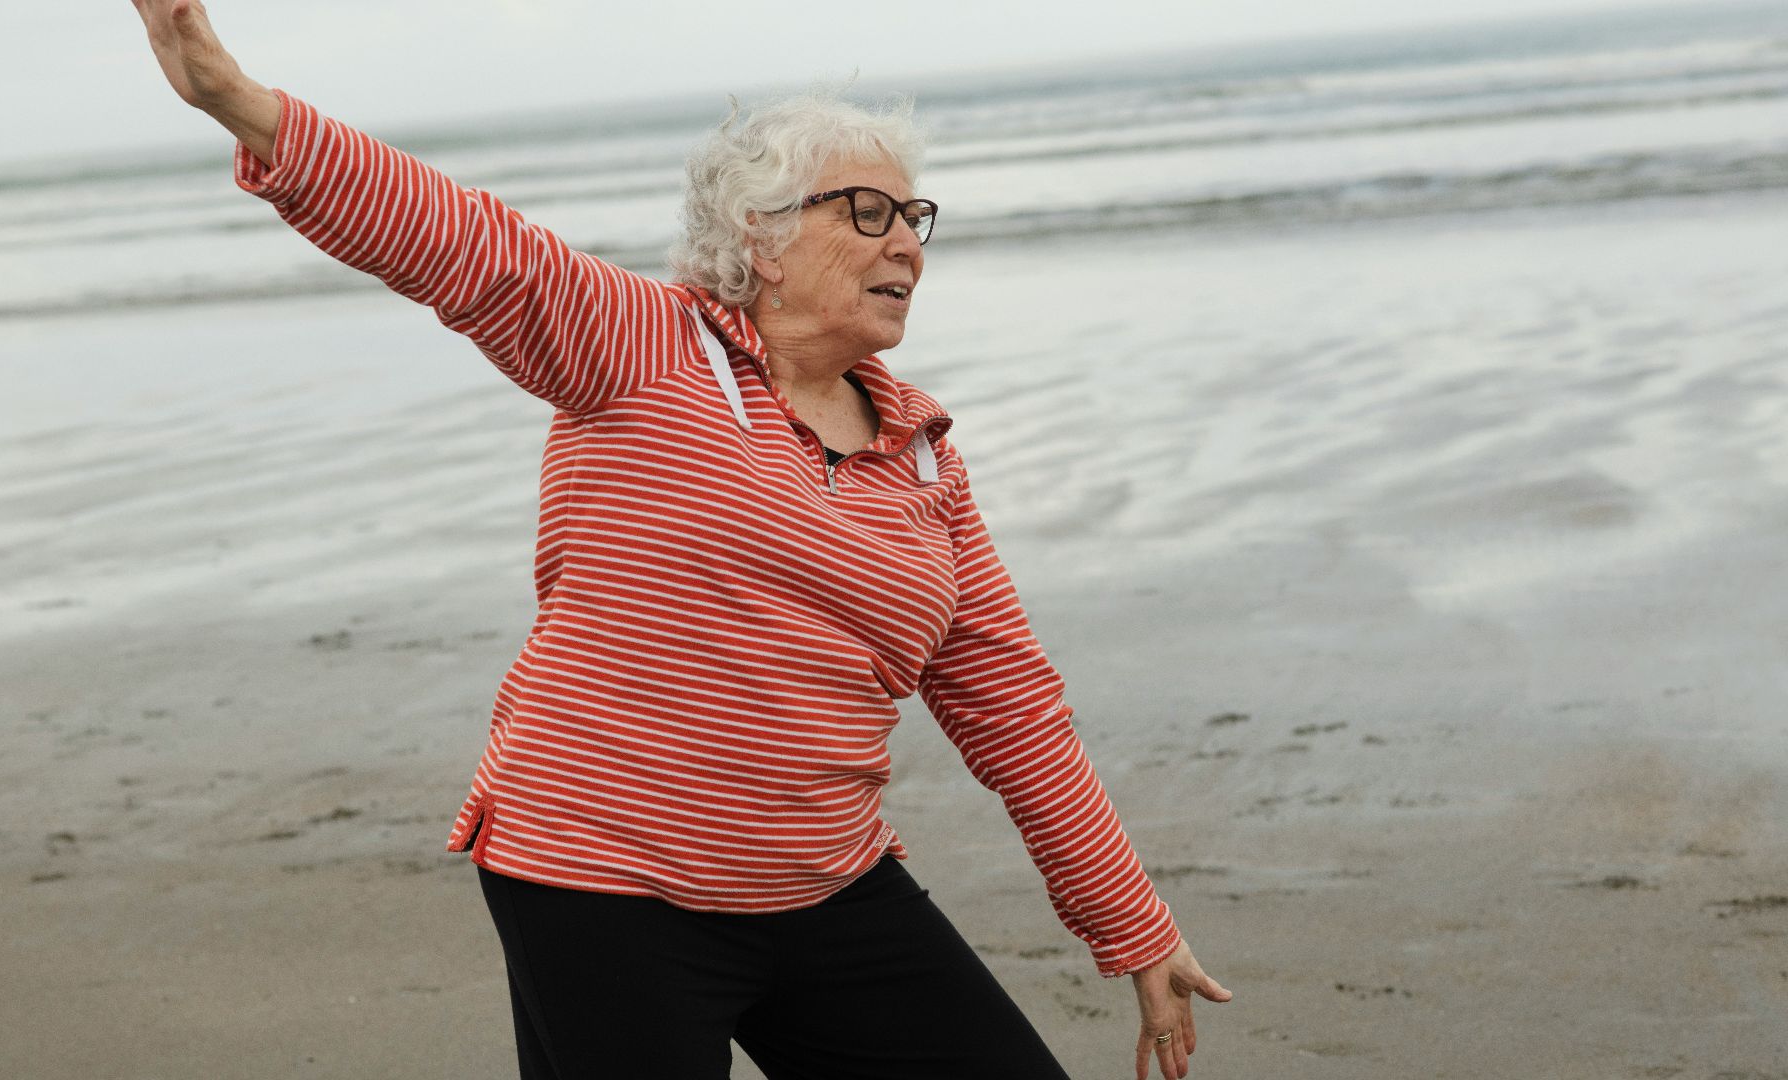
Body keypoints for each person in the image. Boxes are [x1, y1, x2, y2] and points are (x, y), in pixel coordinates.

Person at [132, 2, 1232, 1077]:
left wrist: (1132, 926)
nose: (909, 243)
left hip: (823, 884)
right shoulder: (646, 350)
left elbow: (1009, 702)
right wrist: (242, 103)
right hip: (600, 883)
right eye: (868, 212)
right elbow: (468, 245)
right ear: (759, 233)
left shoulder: (923, 452)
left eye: (915, 218)